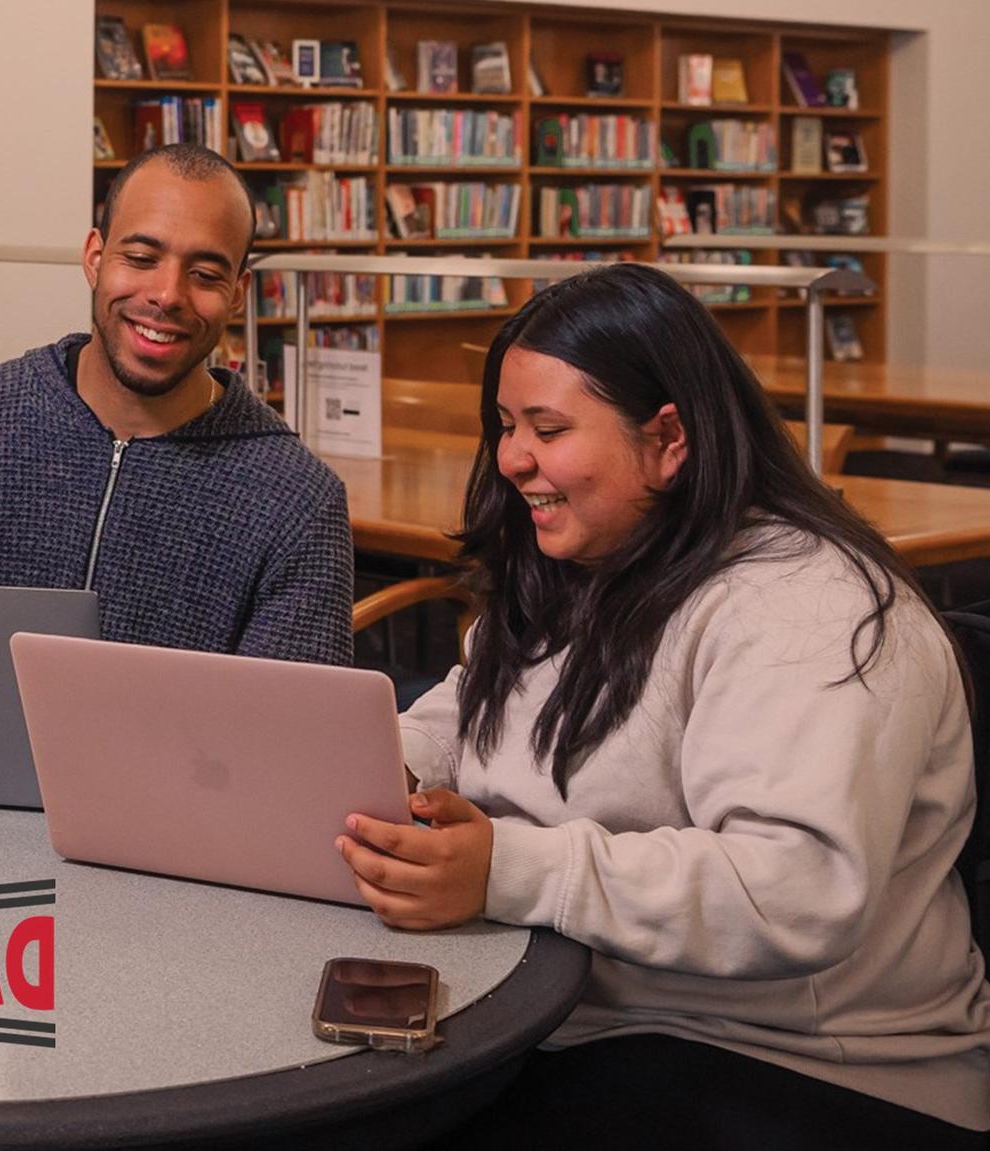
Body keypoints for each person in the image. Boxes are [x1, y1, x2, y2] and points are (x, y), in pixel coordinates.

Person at [333, 263, 989, 1145]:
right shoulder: (582, 560)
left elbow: (792, 893)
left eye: (548, 428)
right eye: (503, 425)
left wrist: (509, 869)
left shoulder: (808, 608)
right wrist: (377, 767)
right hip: (576, 1018)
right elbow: (465, 716)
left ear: (668, 438)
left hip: (800, 1065)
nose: (512, 457)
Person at [0, 144, 353, 665]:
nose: (167, 294)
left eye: (205, 275)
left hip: (173, 751)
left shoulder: (299, 501)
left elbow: (290, 735)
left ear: (237, 293)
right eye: (140, 258)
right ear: (95, 257)